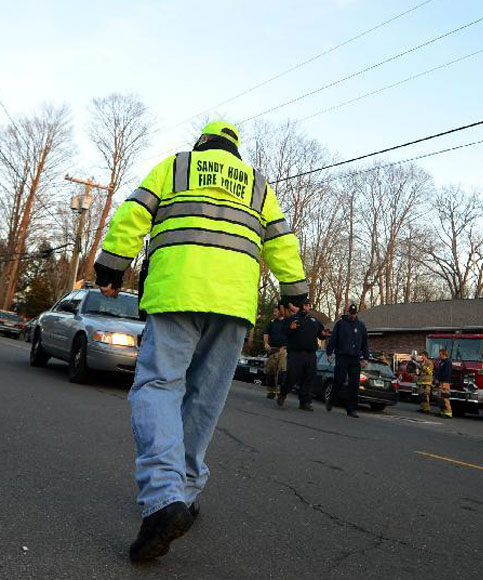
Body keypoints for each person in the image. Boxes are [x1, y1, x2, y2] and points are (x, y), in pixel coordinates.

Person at [92, 120, 308, 562]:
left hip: (176, 293)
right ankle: (184, 496)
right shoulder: (258, 185)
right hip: (232, 304)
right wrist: (295, 290)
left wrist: (112, 265)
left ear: (202, 144)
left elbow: (133, 213)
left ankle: (162, 498)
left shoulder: (175, 167)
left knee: (158, 387)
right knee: (205, 399)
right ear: (236, 152)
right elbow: (281, 240)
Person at [279, 299, 327, 411]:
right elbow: (284, 331)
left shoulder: (314, 321)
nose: (306, 307)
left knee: (309, 377)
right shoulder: (293, 319)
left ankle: (305, 402)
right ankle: (283, 393)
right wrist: (291, 328)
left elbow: (321, 334)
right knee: (292, 376)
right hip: (296, 353)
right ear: (300, 307)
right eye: (304, 305)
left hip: (310, 353)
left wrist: (324, 334)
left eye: (308, 305)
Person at [325, 303, 369, 418]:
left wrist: (365, 357)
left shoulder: (361, 326)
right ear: (348, 312)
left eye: (354, 313)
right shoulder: (340, 324)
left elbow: (365, 343)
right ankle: (331, 400)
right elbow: (333, 338)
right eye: (351, 313)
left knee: (354, 384)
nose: (352, 315)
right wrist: (329, 352)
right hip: (342, 356)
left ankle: (351, 409)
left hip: (355, 358)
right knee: (339, 380)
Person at [262, 300, 289, 399]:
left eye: (276, 312)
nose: (274, 314)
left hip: (283, 350)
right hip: (273, 350)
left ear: (280, 312)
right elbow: (266, 333)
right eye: (273, 312)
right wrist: (266, 343)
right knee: (271, 370)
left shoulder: (287, 322)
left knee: (281, 370)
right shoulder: (271, 323)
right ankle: (271, 391)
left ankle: (280, 391)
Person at [434, 348, 453, 418]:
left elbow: (446, 374)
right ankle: (443, 412)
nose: (439, 355)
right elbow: (438, 372)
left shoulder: (448, 362)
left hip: (444, 382)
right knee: (440, 398)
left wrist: (440, 380)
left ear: (444, 354)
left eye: (440, 354)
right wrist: (436, 379)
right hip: (440, 382)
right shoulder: (441, 362)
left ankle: (448, 413)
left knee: (445, 398)